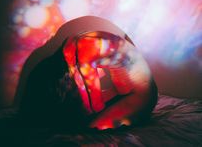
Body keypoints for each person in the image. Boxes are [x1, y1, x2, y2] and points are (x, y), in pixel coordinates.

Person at [15, 16, 158, 130]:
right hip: (131, 84)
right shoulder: (71, 43)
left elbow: (94, 107)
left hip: (142, 94)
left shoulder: (83, 57)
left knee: (91, 126)